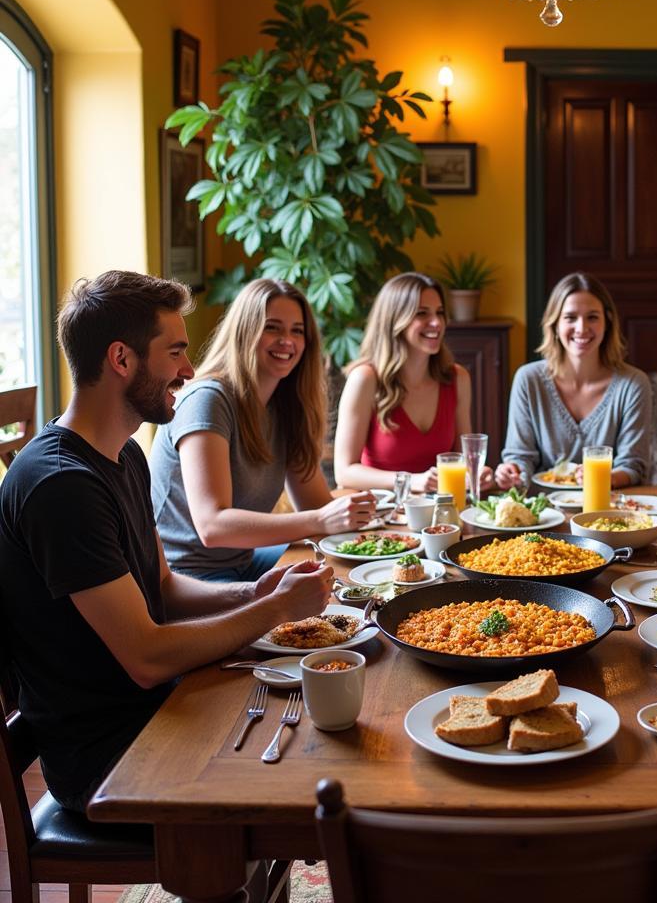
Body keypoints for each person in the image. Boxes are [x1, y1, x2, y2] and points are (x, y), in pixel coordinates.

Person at [0, 271, 334, 813]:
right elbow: (147, 658)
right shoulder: (61, 484)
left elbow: (165, 586)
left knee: (315, 717)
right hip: (112, 757)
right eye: (175, 351)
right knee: (311, 768)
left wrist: (254, 594)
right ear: (121, 359)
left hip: (159, 708)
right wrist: (273, 610)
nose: (189, 369)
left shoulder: (124, 453)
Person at [150, 278, 375, 582]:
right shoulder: (207, 399)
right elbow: (212, 527)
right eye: (273, 327)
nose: (288, 341)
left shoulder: (286, 404)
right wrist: (323, 518)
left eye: (297, 330)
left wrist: (376, 520)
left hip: (245, 561)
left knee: (356, 583)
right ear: (245, 331)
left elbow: (315, 505)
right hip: (187, 579)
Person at [334, 272, 490, 493]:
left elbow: (461, 460)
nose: (436, 323)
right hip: (381, 514)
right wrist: (409, 480)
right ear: (394, 320)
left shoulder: (457, 378)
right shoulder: (365, 379)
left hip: (441, 513)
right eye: (421, 313)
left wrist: (477, 474)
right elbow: (345, 472)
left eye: (440, 313)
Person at [495, 272, 651, 490]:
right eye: (570, 317)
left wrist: (603, 479)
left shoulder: (634, 384)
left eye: (593, 317)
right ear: (555, 324)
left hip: (608, 510)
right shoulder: (528, 380)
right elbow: (521, 457)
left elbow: (634, 466)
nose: (581, 328)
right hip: (543, 511)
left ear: (607, 322)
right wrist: (512, 473)